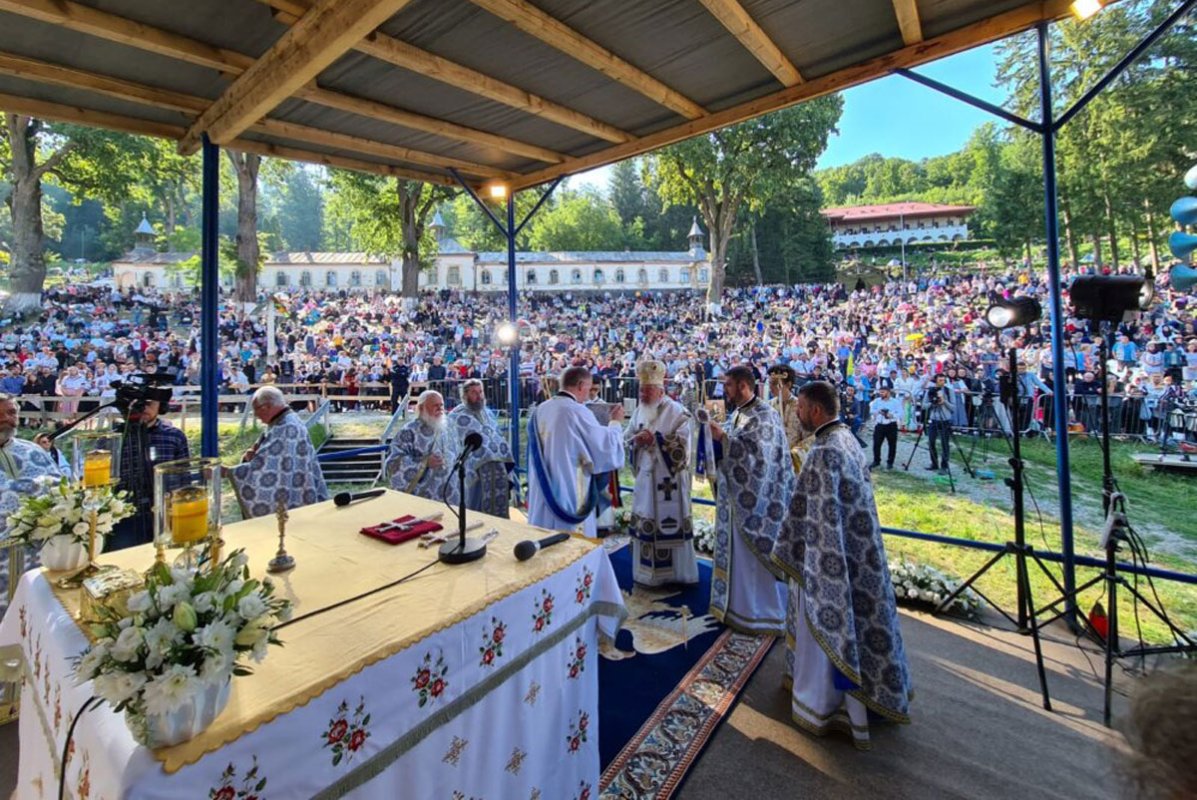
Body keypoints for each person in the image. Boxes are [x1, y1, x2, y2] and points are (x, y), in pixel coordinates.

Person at [772, 381, 912, 749]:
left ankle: (826, 704)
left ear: (815, 411)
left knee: (830, 626)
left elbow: (809, 516)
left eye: (799, 408)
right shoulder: (846, 437)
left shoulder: (823, 452)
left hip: (826, 560)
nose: (796, 414)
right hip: (853, 552)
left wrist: (789, 551)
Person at [707, 365, 795, 635]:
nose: (725, 391)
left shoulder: (764, 415)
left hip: (758, 504)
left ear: (744, 386)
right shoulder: (741, 412)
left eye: (729, 386)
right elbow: (735, 441)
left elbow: (757, 458)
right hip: (737, 498)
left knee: (751, 560)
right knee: (737, 555)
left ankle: (758, 614)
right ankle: (736, 605)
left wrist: (722, 437)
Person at [526, 366, 625, 536]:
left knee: (544, 536)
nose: (588, 393)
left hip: (543, 489)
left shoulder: (541, 409)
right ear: (580, 385)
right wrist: (615, 423)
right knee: (571, 545)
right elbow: (605, 447)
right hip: (569, 487)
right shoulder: (577, 411)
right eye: (589, 387)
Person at [625, 360, 697, 586]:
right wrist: (635, 442)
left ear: (661, 391)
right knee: (647, 520)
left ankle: (676, 575)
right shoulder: (639, 411)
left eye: (648, 390)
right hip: (646, 481)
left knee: (667, 524)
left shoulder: (676, 411)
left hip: (669, 482)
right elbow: (627, 437)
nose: (643, 395)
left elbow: (686, 446)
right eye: (641, 390)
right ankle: (646, 575)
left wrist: (655, 441)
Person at [0, 393, 64, 619]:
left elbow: (63, 491)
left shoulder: (34, 451)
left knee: (35, 621)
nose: (6, 419)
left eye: (11, 413)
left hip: (37, 556)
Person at [227, 386, 329, 519]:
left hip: (293, 495)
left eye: (256, 409)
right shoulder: (285, 420)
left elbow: (267, 468)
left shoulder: (285, 428)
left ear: (266, 407)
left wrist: (228, 471)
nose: (256, 415)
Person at [108, 388, 190, 551]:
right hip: (123, 517)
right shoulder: (112, 439)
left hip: (165, 514)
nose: (143, 408)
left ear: (161, 406)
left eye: (149, 403)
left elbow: (184, 478)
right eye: (138, 403)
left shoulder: (174, 436)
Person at [447, 379, 513, 517]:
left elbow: (495, 434)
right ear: (465, 396)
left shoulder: (487, 412)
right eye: (474, 392)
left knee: (498, 505)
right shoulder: (456, 415)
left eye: (480, 391)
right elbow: (455, 442)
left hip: (497, 465)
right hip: (474, 468)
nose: (479, 396)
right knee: (476, 505)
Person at [385, 390, 460, 503]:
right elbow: (393, 463)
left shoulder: (448, 428)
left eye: (441, 405)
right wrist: (424, 462)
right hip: (423, 496)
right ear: (421, 408)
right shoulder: (409, 431)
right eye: (435, 405)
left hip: (451, 494)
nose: (440, 409)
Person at [768, 364, 812, 471]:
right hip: (773, 462)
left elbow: (810, 437)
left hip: (795, 465)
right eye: (769, 383)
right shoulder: (768, 407)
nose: (771, 387)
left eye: (775, 383)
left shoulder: (802, 407)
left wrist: (793, 455)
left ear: (788, 384)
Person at [921, 373, 953, 473]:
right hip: (934, 419)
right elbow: (923, 406)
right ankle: (934, 463)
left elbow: (953, 408)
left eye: (943, 380)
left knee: (945, 443)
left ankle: (944, 465)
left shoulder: (949, 391)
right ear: (936, 381)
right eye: (940, 380)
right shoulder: (930, 391)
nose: (942, 382)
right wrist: (932, 402)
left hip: (945, 419)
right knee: (931, 442)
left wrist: (944, 401)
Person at [869, 384, 902, 469]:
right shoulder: (876, 401)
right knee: (876, 444)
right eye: (880, 392)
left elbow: (900, 413)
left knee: (892, 444)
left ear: (888, 392)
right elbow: (872, 410)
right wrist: (878, 411)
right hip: (880, 424)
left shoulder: (895, 402)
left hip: (891, 425)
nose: (881, 394)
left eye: (883, 392)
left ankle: (890, 462)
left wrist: (892, 415)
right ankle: (876, 460)